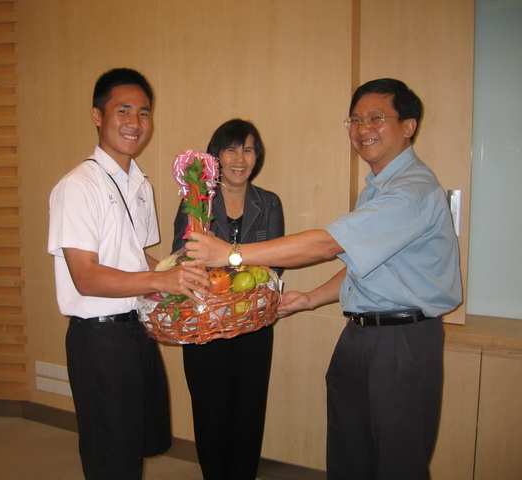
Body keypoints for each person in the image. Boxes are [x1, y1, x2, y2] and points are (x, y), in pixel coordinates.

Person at [184, 78, 462, 480]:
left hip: (401, 341)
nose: (363, 128)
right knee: (350, 454)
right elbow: (364, 267)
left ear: (408, 126)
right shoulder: (377, 189)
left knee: (397, 461)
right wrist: (311, 298)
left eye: (376, 118)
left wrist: (230, 253)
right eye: (355, 119)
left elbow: (328, 244)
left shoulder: (411, 192)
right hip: (361, 334)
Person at [47, 68, 210, 480]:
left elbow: (139, 258)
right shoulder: (78, 186)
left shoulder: (139, 184)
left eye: (144, 112)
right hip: (98, 340)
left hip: (137, 330)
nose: (135, 122)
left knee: (137, 444)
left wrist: (181, 272)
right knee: (111, 458)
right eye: (123, 111)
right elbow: (85, 276)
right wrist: (161, 280)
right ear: (97, 116)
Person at [172, 119, 284, 480]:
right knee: (210, 415)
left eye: (248, 149)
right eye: (231, 149)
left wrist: (227, 261)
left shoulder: (269, 203)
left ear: (257, 156)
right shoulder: (195, 202)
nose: (240, 158)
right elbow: (182, 259)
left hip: (254, 326)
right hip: (206, 326)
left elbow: (275, 266)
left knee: (249, 415)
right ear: (215, 156)